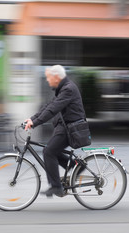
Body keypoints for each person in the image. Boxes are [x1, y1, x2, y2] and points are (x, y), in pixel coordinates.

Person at [24, 65, 86, 197]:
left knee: (48, 151)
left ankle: (56, 186)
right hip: (64, 127)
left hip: (71, 128)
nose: (47, 80)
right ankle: (76, 166)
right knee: (52, 150)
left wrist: (35, 123)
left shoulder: (68, 89)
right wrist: (32, 118)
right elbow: (49, 106)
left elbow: (53, 109)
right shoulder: (63, 88)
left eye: (48, 78)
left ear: (56, 77)